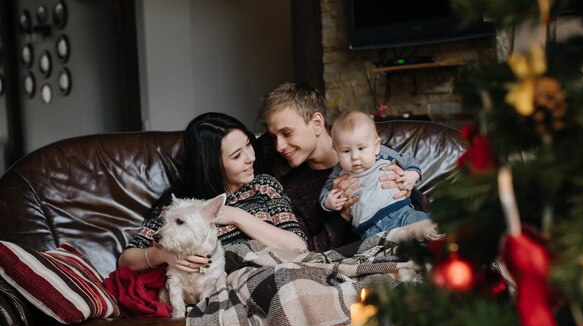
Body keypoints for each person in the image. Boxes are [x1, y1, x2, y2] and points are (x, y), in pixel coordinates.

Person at [118, 112, 308, 273]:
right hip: (230, 288)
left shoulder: (264, 186)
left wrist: (237, 216)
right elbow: (126, 260)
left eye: (248, 145)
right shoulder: (182, 206)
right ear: (211, 165)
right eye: (236, 155)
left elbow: (298, 247)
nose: (250, 158)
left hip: (281, 273)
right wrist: (163, 255)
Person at [260, 81, 419, 252]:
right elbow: (309, 252)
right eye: (274, 137)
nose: (279, 146)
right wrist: (344, 214)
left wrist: (407, 188)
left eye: (286, 133)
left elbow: (424, 211)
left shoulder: (371, 151)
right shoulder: (290, 190)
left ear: (317, 123)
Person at [320, 110, 428, 238]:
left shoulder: (384, 154)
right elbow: (327, 190)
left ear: (376, 146)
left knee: (434, 231)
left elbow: (408, 160)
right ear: (336, 150)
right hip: (370, 231)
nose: (354, 157)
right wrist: (328, 202)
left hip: (403, 213)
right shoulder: (339, 173)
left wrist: (412, 174)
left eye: (361, 148)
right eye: (346, 151)